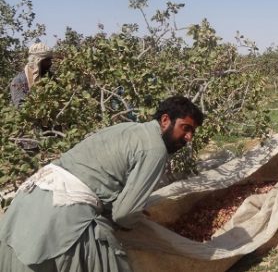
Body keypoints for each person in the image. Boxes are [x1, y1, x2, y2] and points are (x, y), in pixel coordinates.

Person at [0, 95, 204, 272]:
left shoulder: (128, 128)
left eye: (192, 132)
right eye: (185, 128)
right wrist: (132, 219)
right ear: (166, 120)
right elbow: (124, 214)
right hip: (61, 215)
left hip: (28, 201)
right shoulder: (155, 149)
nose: (188, 137)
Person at [9, 42, 53, 108]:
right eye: (46, 60)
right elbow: (20, 106)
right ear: (37, 61)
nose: (50, 63)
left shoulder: (51, 77)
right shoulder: (19, 80)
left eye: (50, 60)